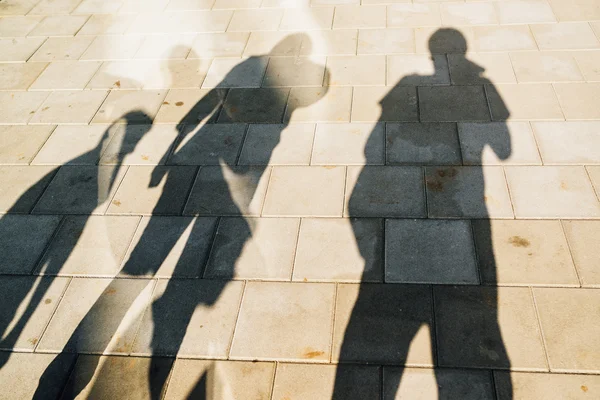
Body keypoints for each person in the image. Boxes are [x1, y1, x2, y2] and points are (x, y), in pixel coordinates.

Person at [333, 28, 513, 398]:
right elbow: (505, 149)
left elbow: (374, 143)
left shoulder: (406, 84)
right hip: (467, 206)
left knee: (372, 322)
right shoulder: (484, 85)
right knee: (476, 329)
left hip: (413, 212)